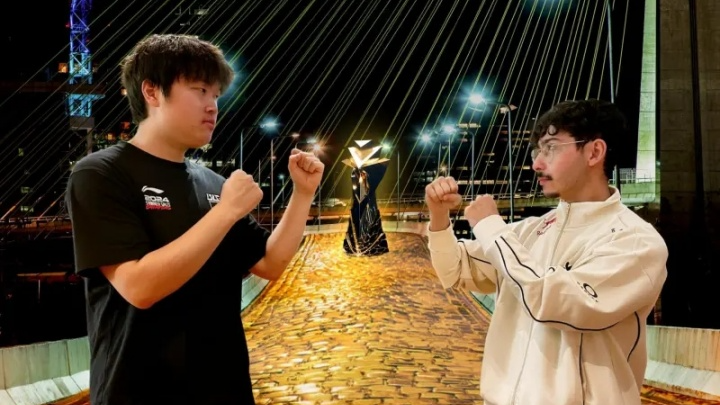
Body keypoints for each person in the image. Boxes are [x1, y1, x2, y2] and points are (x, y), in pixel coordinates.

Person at [65, 34, 324, 405]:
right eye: (200, 90)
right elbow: (139, 287)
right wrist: (226, 211)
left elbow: (270, 262)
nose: (212, 106)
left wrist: (303, 194)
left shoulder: (213, 183)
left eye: (216, 95)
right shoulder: (101, 174)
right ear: (152, 92)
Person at [425, 99, 667, 405]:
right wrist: (438, 216)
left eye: (551, 148)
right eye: (536, 151)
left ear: (594, 152)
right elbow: (455, 269)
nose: (537, 164)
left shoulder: (635, 241)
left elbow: (553, 303)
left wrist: (491, 228)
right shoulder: (530, 230)